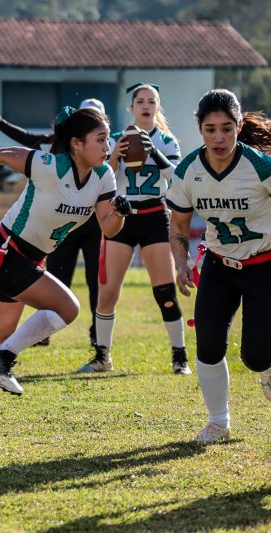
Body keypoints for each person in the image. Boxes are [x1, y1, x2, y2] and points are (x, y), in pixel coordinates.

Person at [0, 106, 130, 395]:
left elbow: (108, 227)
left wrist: (120, 213)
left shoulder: (104, 176)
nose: (108, 146)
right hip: (5, 250)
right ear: (77, 144)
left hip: (27, 258)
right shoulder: (51, 165)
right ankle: (1, 358)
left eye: (108, 139)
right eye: (101, 139)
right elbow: (2, 154)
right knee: (67, 308)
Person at [167, 88, 271, 442]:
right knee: (207, 343)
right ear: (200, 129)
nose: (219, 137)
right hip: (220, 265)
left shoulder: (260, 165)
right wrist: (181, 259)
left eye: (226, 128)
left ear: (238, 126)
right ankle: (219, 422)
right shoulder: (188, 169)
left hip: (267, 267)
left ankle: (268, 364)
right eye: (210, 129)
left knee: (255, 355)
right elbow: (178, 224)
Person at [76, 83, 191, 375]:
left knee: (164, 291)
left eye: (151, 101)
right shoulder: (113, 139)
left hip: (154, 215)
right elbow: (99, 177)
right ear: (131, 107)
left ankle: (180, 357)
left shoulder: (166, 141)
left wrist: (155, 153)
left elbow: (178, 179)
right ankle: (103, 357)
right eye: (140, 101)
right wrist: (114, 156)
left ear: (157, 107)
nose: (145, 105)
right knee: (108, 292)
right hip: (121, 216)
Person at [0, 98, 103, 346]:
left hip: (89, 221)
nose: (103, 142)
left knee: (95, 281)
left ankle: (99, 339)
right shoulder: (56, 146)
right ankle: (34, 336)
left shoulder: (104, 152)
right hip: (58, 227)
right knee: (53, 281)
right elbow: (22, 140)